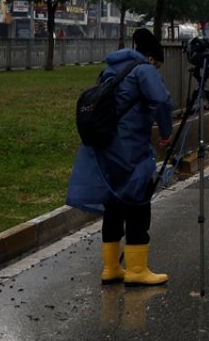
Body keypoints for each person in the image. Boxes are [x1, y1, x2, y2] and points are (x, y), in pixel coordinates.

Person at [66, 28, 174, 286]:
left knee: (113, 204)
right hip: (130, 149)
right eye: (157, 64)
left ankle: (111, 268)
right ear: (151, 58)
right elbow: (161, 100)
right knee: (138, 203)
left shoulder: (110, 71)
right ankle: (137, 271)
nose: (157, 69)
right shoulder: (143, 70)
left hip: (106, 147)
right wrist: (166, 132)